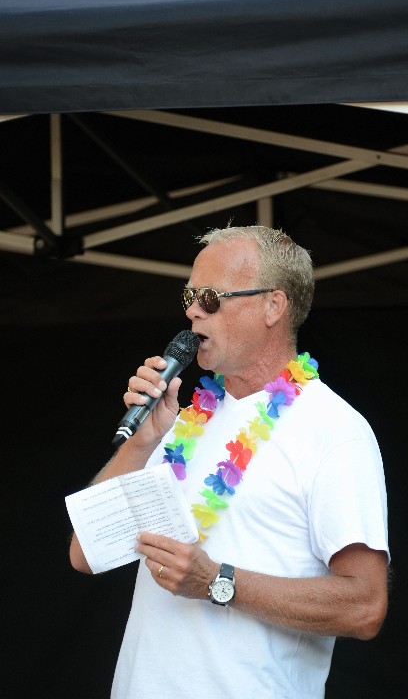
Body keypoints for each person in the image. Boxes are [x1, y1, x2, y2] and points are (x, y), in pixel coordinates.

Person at [70, 224, 389, 699]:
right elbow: (85, 553)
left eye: (211, 297)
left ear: (272, 306)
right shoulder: (184, 420)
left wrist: (218, 582)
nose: (194, 310)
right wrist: (141, 441)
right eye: (189, 297)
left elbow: (365, 605)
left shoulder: (334, 430)